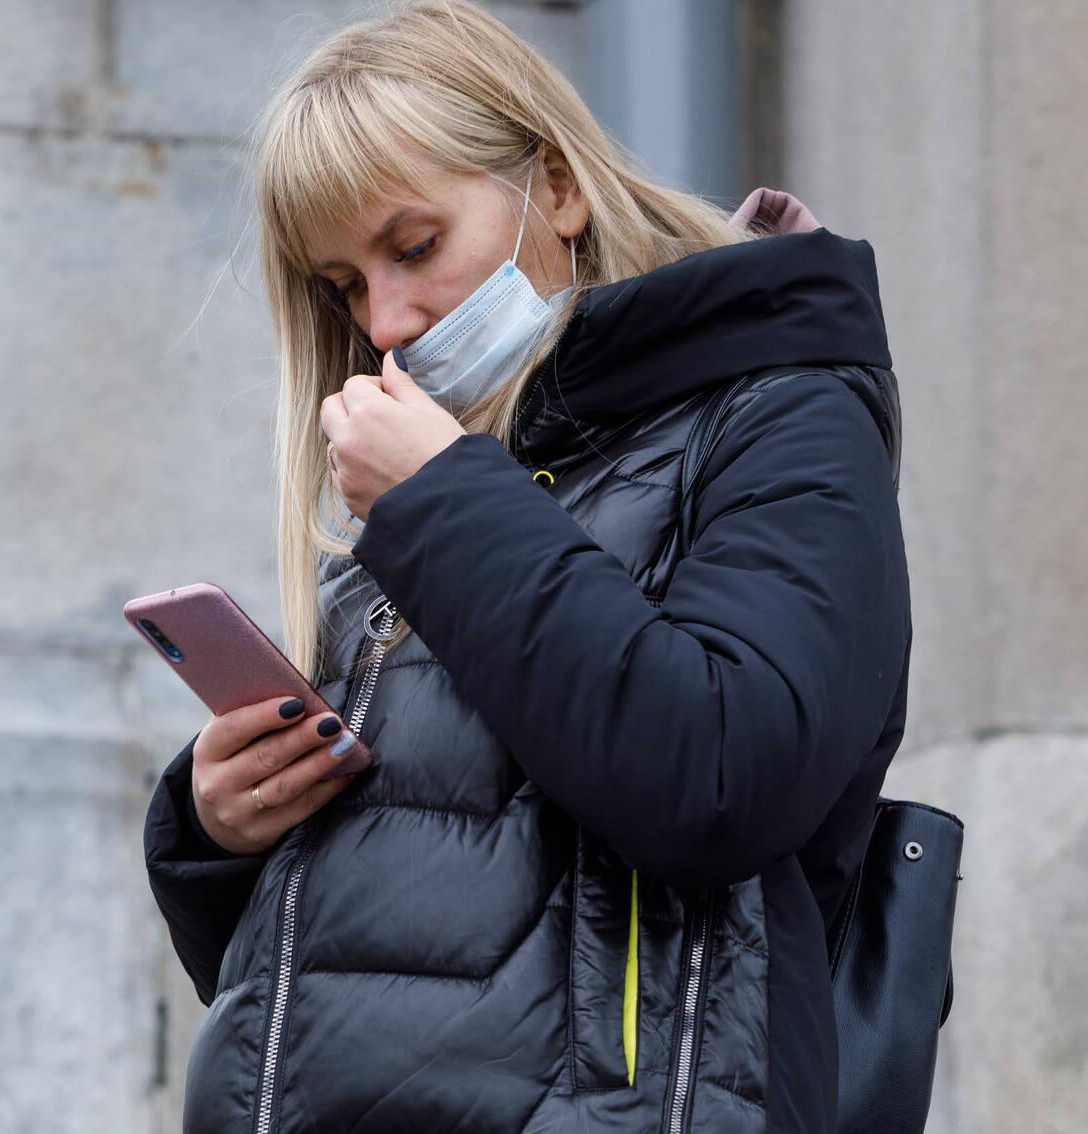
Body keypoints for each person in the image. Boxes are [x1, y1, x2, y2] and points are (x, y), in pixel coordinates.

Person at [142, 2, 909, 1131]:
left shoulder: (775, 413)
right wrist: (220, 829)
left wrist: (444, 505)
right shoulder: (438, 478)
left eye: (412, 247)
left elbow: (723, 780)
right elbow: (366, 957)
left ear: (555, 186)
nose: (388, 321)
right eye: (344, 286)